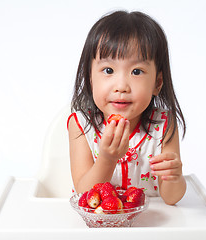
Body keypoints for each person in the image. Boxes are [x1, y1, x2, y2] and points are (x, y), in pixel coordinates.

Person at [67, 10, 186, 205]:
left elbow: (171, 199)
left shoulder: (164, 125)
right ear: (90, 78)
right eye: (108, 70)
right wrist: (106, 158)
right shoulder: (80, 125)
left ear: (157, 83)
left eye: (136, 71)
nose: (121, 86)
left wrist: (175, 177)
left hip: (150, 226)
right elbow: (85, 194)